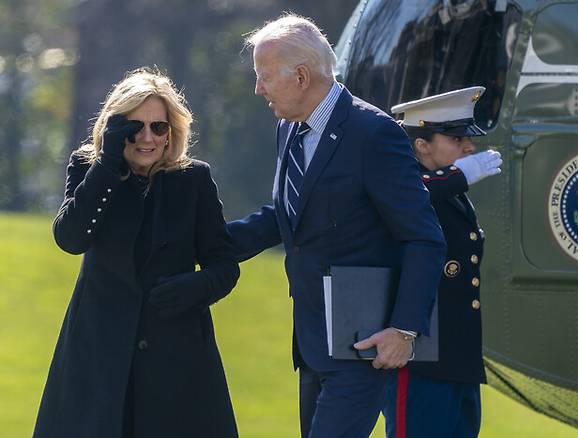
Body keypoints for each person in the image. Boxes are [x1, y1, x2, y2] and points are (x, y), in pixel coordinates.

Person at [227, 13, 446, 438]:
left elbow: (424, 237)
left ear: (302, 76)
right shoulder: (288, 128)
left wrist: (404, 329)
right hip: (312, 344)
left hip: (364, 344)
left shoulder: (373, 132)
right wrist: (208, 244)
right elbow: (289, 213)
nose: (258, 89)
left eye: (265, 76)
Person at [33, 68, 240, 438]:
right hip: (97, 354)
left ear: (171, 131)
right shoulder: (89, 169)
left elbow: (224, 266)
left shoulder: (194, 178)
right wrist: (108, 165)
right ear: (114, 128)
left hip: (177, 356)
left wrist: (192, 288)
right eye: (133, 127)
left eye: (158, 127)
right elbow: (71, 238)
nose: (147, 138)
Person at [383, 87, 503, 437]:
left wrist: (454, 180)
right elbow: (407, 193)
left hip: (456, 357)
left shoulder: (452, 195)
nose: (469, 147)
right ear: (422, 144)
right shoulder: (406, 187)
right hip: (421, 359)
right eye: (456, 137)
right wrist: (456, 176)